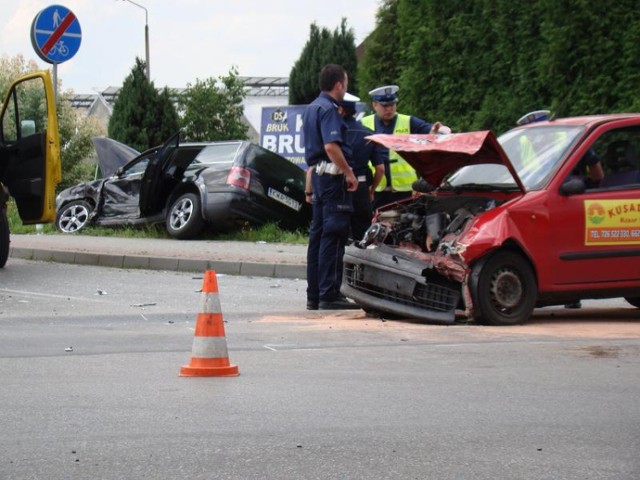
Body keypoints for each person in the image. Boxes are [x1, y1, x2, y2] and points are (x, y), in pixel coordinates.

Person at [303, 64, 359, 311]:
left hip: (319, 179)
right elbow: (331, 147)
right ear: (339, 85)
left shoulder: (312, 108)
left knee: (317, 237)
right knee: (334, 236)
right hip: (333, 181)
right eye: (345, 84)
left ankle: (314, 295)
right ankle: (330, 294)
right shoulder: (328, 110)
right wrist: (349, 172)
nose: (346, 88)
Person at [361, 84, 442, 209]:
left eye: (392, 105)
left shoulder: (408, 121)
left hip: (404, 190)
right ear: (375, 105)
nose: (389, 109)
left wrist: (440, 130)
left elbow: (432, 131)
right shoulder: (363, 123)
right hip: (375, 189)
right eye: (384, 106)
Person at [337, 92, 385, 242]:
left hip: (337, 186)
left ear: (340, 110)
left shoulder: (334, 134)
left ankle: (340, 264)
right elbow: (380, 168)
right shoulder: (368, 134)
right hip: (361, 189)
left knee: (338, 233)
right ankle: (359, 265)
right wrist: (371, 191)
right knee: (362, 234)